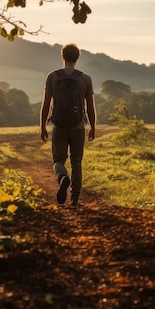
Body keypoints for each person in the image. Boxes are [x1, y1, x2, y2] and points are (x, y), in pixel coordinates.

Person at [40, 43, 96, 207]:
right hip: (78, 127)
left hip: (59, 126)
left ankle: (63, 177)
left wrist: (42, 126)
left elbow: (46, 104)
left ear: (62, 56)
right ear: (77, 57)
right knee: (76, 162)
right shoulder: (85, 78)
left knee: (58, 160)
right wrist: (92, 127)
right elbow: (90, 107)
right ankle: (74, 199)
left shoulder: (52, 77)